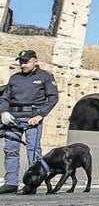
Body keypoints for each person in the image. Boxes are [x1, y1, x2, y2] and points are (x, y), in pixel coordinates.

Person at [0, 50, 59, 194]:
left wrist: (40, 116)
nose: (23, 65)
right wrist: (3, 112)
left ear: (35, 61)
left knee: (32, 151)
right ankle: (10, 183)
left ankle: (31, 184)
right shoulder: (15, 78)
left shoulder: (45, 77)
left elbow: (53, 98)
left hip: (33, 118)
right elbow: (5, 97)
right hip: (13, 118)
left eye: (26, 61)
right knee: (11, 150)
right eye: (21, 62)